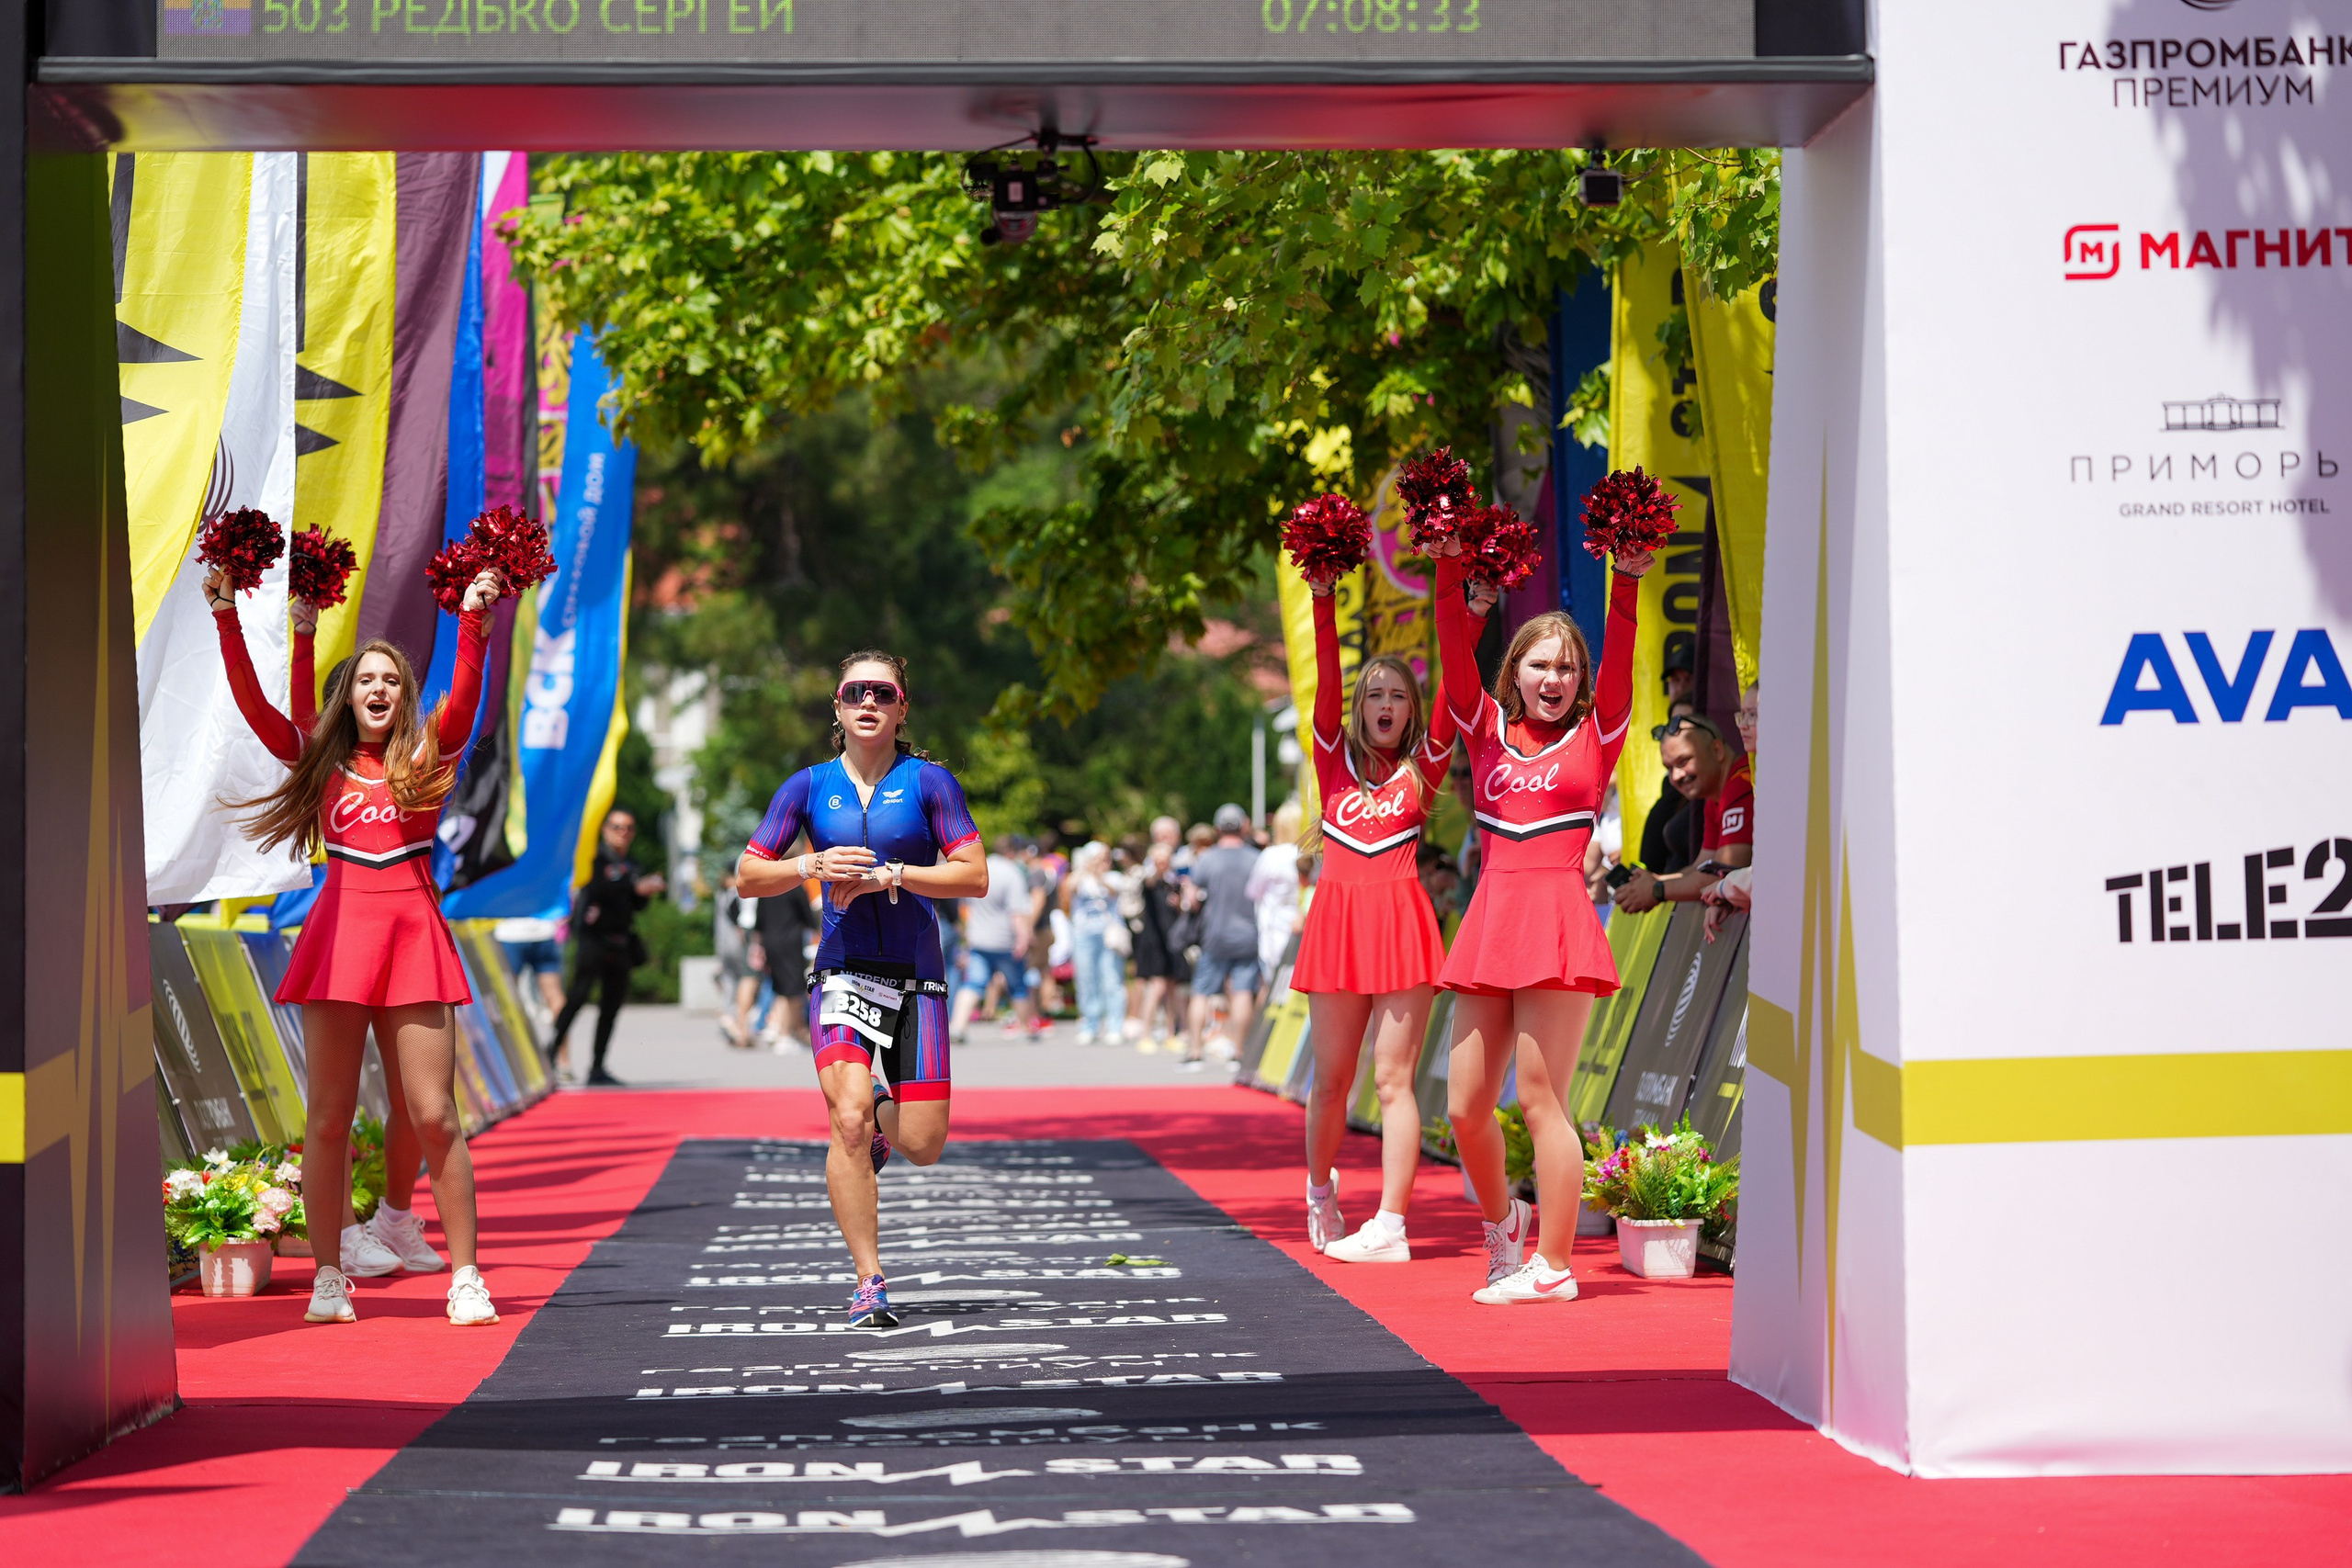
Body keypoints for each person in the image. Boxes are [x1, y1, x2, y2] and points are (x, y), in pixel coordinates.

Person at [209, 557, 505, 1328]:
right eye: (367, 679)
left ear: (406, 696)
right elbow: (256, 704)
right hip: (339, 938)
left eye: (393, 680)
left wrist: (475, 616)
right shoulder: (322, 762)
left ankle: (467, 1276)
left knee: (435, 1112)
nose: (379, 689)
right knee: (328, 1118)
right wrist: (229, 618)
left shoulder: (423, 760)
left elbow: (467, 696)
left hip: (413, 936)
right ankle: (331, 1276)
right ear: (351, 693)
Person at [737, 650, 988, 1329]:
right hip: (843, 971)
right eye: (856, 692)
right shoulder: (808, 787)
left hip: (918, 974)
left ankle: (883, 1114)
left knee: (924, 1142)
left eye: (884, 692)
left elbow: (974, 875)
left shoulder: (931, 783)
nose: (868, 701)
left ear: (902, 708)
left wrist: (896, 874)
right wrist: (809, 863)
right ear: (838, 707)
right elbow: (747, 874)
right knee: (844, 1119)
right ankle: (869, 1281)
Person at [1433, 535, 1653, 1306]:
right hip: (1491, 922)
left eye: (1566, 666)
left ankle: (1554, 1266)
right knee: (1463, 1106)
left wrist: (1624, 580)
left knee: (1540, 1098)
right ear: (1514, 672)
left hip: (1557, 922)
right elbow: (1451, 657)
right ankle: (1505, 1227)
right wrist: (1449, 566)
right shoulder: (1485, 728)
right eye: (1539, 664)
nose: (1553, 678)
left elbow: (1623, 654)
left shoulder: (1601, 733)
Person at [1292, 569, 1478, 1263]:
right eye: (1375, 694)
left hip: (1402, 929)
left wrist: (1466, 603)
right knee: (1332, 1080)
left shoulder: (1425, 768)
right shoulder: (1333, 760)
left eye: (1398, 695)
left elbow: (1456, 698)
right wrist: (1321, 596)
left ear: (1410, 708)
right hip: (1338, 930)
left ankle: (1393, 1223)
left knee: (1393, 1079)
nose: (1385, 703)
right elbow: (1325, 688)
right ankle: (1319, 1191)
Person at [551, 808, 666, 1086]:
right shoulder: (595, 858)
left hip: (621, 940)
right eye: (617, 827)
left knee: (611, 1006)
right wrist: (634, 887)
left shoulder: (633, 864)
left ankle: (598, 1066)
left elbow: (636, 903)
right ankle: (549, 1054)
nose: (622, 833)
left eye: (627, 828)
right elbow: (600, 888)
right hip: (593, 939)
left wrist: (645, 891)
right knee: (576, 999)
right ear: (605, 830)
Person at [1612, 713, 1753, 915]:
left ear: (1717, 750)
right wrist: (1654, 880)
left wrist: (1656, 890)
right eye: (1669, 768)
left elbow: (1722, 876)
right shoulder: (1716, 796)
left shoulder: (1740, 783)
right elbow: (1702, 868)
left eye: (1683, 761)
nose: (1676, 776)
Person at [1183, 804, 1262, 1070]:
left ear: (1217, 829)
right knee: (1242, 993)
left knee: (1201, 992)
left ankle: (1195, 1052)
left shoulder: (1207, 859)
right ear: (1244, 826)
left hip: (1214, 934)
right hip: (1247, 934)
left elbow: (1192, 900)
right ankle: (1238, 1052)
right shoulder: (1255, 858)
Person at [951, 833, 1040, 1039]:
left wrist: (967, 936)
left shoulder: (980, 868)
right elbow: (1017, 913)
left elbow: (965, 907)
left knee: (973, 983)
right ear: (1010, 852)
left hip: (979, 939)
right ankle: (1026, 1028)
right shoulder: (1012, 873)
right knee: (1017, 985)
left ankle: (957, 1026)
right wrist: (1023, 938)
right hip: (1004, 941)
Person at [1062, 841, 1127, 1045]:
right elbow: (1067, 890)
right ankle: (1089, 1024)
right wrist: (1086, 869)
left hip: (1108, 935)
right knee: (1086, 980)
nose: (1103, 862)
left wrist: (1098, 874)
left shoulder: (1114, 877)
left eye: (1106, 859)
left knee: (1111, 979)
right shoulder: (1080, 878)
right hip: (1083, 934)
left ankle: (1115, 1025)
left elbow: (1114, 891)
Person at [1131, 840, 1191, 1050]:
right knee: (1157, 986)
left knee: (1173, 988)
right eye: (1159, 861)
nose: (1163, 864)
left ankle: (1169, 1032)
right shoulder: (1151, 882)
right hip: (1154, 942)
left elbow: (1183, 913)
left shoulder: (1174, 884)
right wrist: (1153, 867)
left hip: (1172, 941)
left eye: (1166, 860)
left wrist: (1179, 904)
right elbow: (1147, 882)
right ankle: (1145, 1032)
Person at [752, 870, 818, 1051]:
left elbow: (760, 918)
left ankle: (775, 1027)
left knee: (780, 987)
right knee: (794, 989)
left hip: (770, 940)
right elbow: (807, 915)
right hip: (791, 940)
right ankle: (784, 1034)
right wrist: (816, 929)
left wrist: (758, 945)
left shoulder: (767, 884)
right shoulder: (795, 885)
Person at [1636, 697, 1702, 874]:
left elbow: (1707, 875)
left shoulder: (1722, 792)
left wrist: (1657, 889)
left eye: (1683, 725)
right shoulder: (1672, 788)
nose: (1677, 776)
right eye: (1672, 725)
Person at [1250, 801, 1305, 980]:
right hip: (1304, 924)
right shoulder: (1310, 854)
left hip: (1275, 930)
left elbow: (1254, 891)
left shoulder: (1271, 856)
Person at [494, 914, 568, 1026]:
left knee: (507, 993)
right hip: (544, 932)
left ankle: (511, 1041)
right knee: (554, 993)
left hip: (511, 934)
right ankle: (562, 1042)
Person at [714, 868, 759, 1048]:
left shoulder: (722, 894)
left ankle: (732, 1020)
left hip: (725, 946)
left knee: (733, 983)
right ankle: (733, 1021)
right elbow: (736, 915)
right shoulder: (734, 894)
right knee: (742, 981)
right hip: (736, 945)